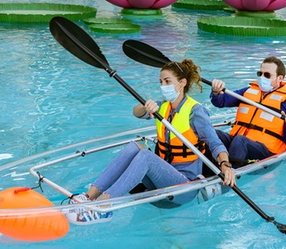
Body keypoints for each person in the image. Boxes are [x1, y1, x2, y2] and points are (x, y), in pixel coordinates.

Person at [69, 59, 234, 224]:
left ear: (182, 83)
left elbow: (215, 143)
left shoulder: (196, 111)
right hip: (162, 179)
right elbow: (136, 113)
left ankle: (105, 206)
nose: (163, 86)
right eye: (161, 82)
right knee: (135, 147)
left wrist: (225, 165)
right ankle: (89, 197)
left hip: (185, 186)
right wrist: (145, 107)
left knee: (146, 157)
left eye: (168, 81)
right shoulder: (163, 106)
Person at [210, 56, 286, 166]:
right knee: (211, 133)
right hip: (239, 141)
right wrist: (216, 92)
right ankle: (203, 171)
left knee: (240, 141)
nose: (262, 77)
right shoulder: (248, 91)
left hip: (266, 150)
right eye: (260, 74)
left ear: (280, 78)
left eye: (267, 75)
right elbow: (221, 101)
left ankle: (228, 176)